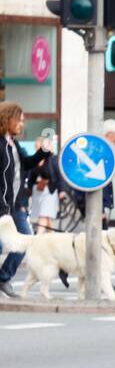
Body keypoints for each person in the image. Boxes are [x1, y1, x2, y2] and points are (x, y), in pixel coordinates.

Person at [0, 102, 53, 297]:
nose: (22, 124)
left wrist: (44, 151)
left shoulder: (14, 143)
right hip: (1, 206)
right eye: (19, 120)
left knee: (27, 240)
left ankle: (4, 277)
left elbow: (28, 164)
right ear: (8, 118)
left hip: (15, 205)